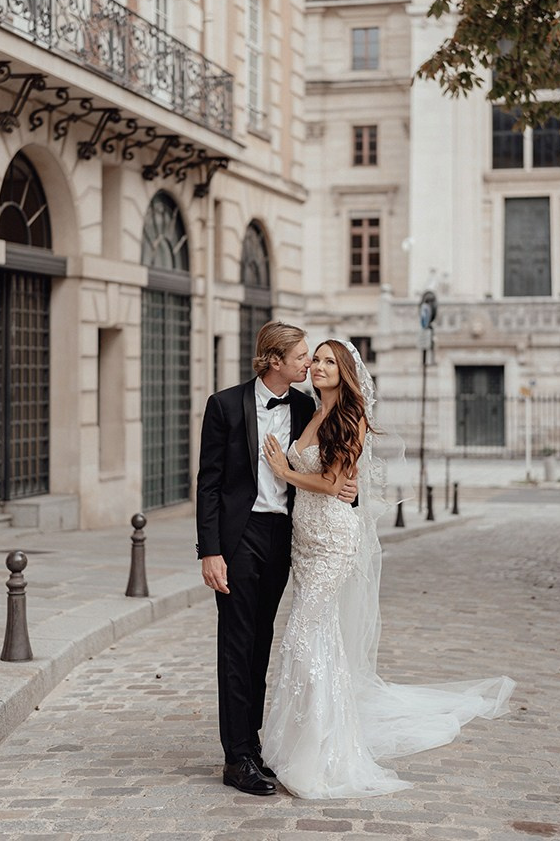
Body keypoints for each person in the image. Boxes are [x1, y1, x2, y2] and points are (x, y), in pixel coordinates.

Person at [261, 339, 515, 799]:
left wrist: (284, 471)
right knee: (317, 637)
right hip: (305, 539)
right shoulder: (310, 412)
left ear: (345, 373)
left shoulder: (350, 418)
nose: (318, 367)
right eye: (314, 360)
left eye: (327, 362)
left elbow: (332, 482)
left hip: (334, 538)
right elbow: (334, 481)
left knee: (304, 635)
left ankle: (321, 753)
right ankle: (300, 741)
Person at [195, 321, 357, 796]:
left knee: (263, 640)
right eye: (302, 356)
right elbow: (208, 484)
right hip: (239, 537)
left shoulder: (307, 406)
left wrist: (352, 489)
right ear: (273, 360)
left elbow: (334, 469)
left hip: (286, 537)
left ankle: (254, 745)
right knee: (237, 642)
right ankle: (237, 757)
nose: (309, 364)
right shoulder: (224, 406)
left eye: (312, 357)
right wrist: (211, 551)